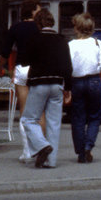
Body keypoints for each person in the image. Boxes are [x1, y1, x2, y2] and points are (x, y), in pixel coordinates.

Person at [18, 9, 72, 169]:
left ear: (38, 23)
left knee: (29, 119)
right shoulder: (62, 40)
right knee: (54, 123)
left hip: (39, 83)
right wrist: (68, 88)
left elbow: (24, 61)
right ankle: (51, 161)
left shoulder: (34, 39)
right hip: (57, 85)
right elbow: (68, 67)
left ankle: (41, 146)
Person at [0, 0, 46, 163]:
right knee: (40, 112)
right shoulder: (41, 28)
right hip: (39, 69)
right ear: (33, 12)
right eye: (38, 10)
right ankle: (41, 149)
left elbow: (5, 51)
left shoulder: (16, 28)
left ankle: (27, 151)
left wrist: (1, 67)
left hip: (21, 69)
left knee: (25, 112)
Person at [68, 12, 101, 163]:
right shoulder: (98, 43)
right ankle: (88, 147)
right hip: (94, 81)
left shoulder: (71, 45)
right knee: (94, 116)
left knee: (78, 117)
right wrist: (95, 66)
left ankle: (80, 151)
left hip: (77, 82)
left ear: (77, 28)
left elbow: (68, 67)